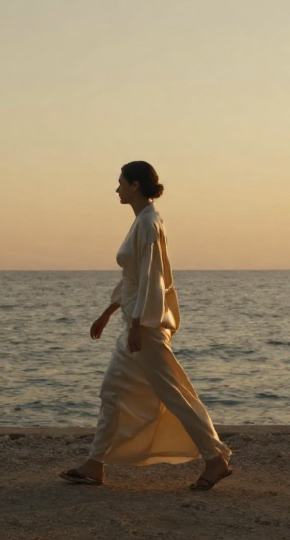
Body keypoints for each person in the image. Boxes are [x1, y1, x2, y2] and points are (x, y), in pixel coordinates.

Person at [59, 161, 233, 491]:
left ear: (135, 185)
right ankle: (95, 465)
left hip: (146, 328)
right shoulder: (142, 221)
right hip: (135, 323)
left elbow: (153, 279)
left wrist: (138, 325)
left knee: (174, 393)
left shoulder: (149, 223)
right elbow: (133, 280)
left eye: (121, 182)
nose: (117, 188)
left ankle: (215, 458)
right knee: (113, 391)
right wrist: (110, 311)